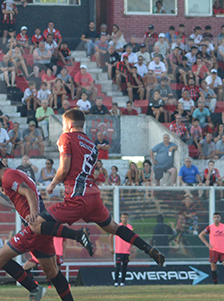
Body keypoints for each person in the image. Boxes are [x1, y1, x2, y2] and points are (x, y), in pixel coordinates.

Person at [30, 109, 166, 267]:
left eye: (63, 124)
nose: (62, 127)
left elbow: (64, 167)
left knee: (35, 224)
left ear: (70, 124)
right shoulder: (91, 144)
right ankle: (148, 248)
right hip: (94, 196)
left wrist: (52, 184)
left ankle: (77, 235)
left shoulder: (66, 137)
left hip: (77, 197)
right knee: (115, 227)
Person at [0, 157, 84, 301]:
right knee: (52, 271)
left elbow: (29, 192)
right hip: (40, 226)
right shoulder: (12, 175)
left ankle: (34, 289)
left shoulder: (8, 176)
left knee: (0, 258)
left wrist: (34, 215)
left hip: (34, 227)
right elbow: (23, 195)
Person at [199, 213, 224, 284]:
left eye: (218, 217)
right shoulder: (210, 227)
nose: (216, 219)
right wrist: (207, 244)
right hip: (213, 250)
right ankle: (215, 283)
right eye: (215, 217)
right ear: (213, 218)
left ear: (220, 218)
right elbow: (201, 235)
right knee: (213, 267)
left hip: (223, 250)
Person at [113, 214, 134, 287]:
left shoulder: (130, 227)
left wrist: (131, 247)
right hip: (119, 250)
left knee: (125, 267)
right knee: (118, 267)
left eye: (125, 217)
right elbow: (110, 236)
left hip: (126, 250)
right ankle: (116, 281)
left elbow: (132, 237)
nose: (124, 219)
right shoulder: (117, 226)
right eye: (123, 217)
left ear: (128, 218)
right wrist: (112, 248)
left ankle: (122, 282)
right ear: (121, 218)